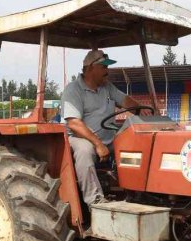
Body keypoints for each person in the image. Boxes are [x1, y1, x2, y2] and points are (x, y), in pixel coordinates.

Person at [61, 49, 144, 205]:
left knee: (133, 144)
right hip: (80, 138)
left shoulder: (107, 87)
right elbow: (74, 123)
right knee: (84, 151)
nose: (107, 71)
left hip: (108, 139)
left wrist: (143, 110)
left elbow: (126, 101)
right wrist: (98, 144)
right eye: (104, 67)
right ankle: (95, 200)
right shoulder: (73, 90)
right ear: (91, 68)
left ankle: (137, 191)